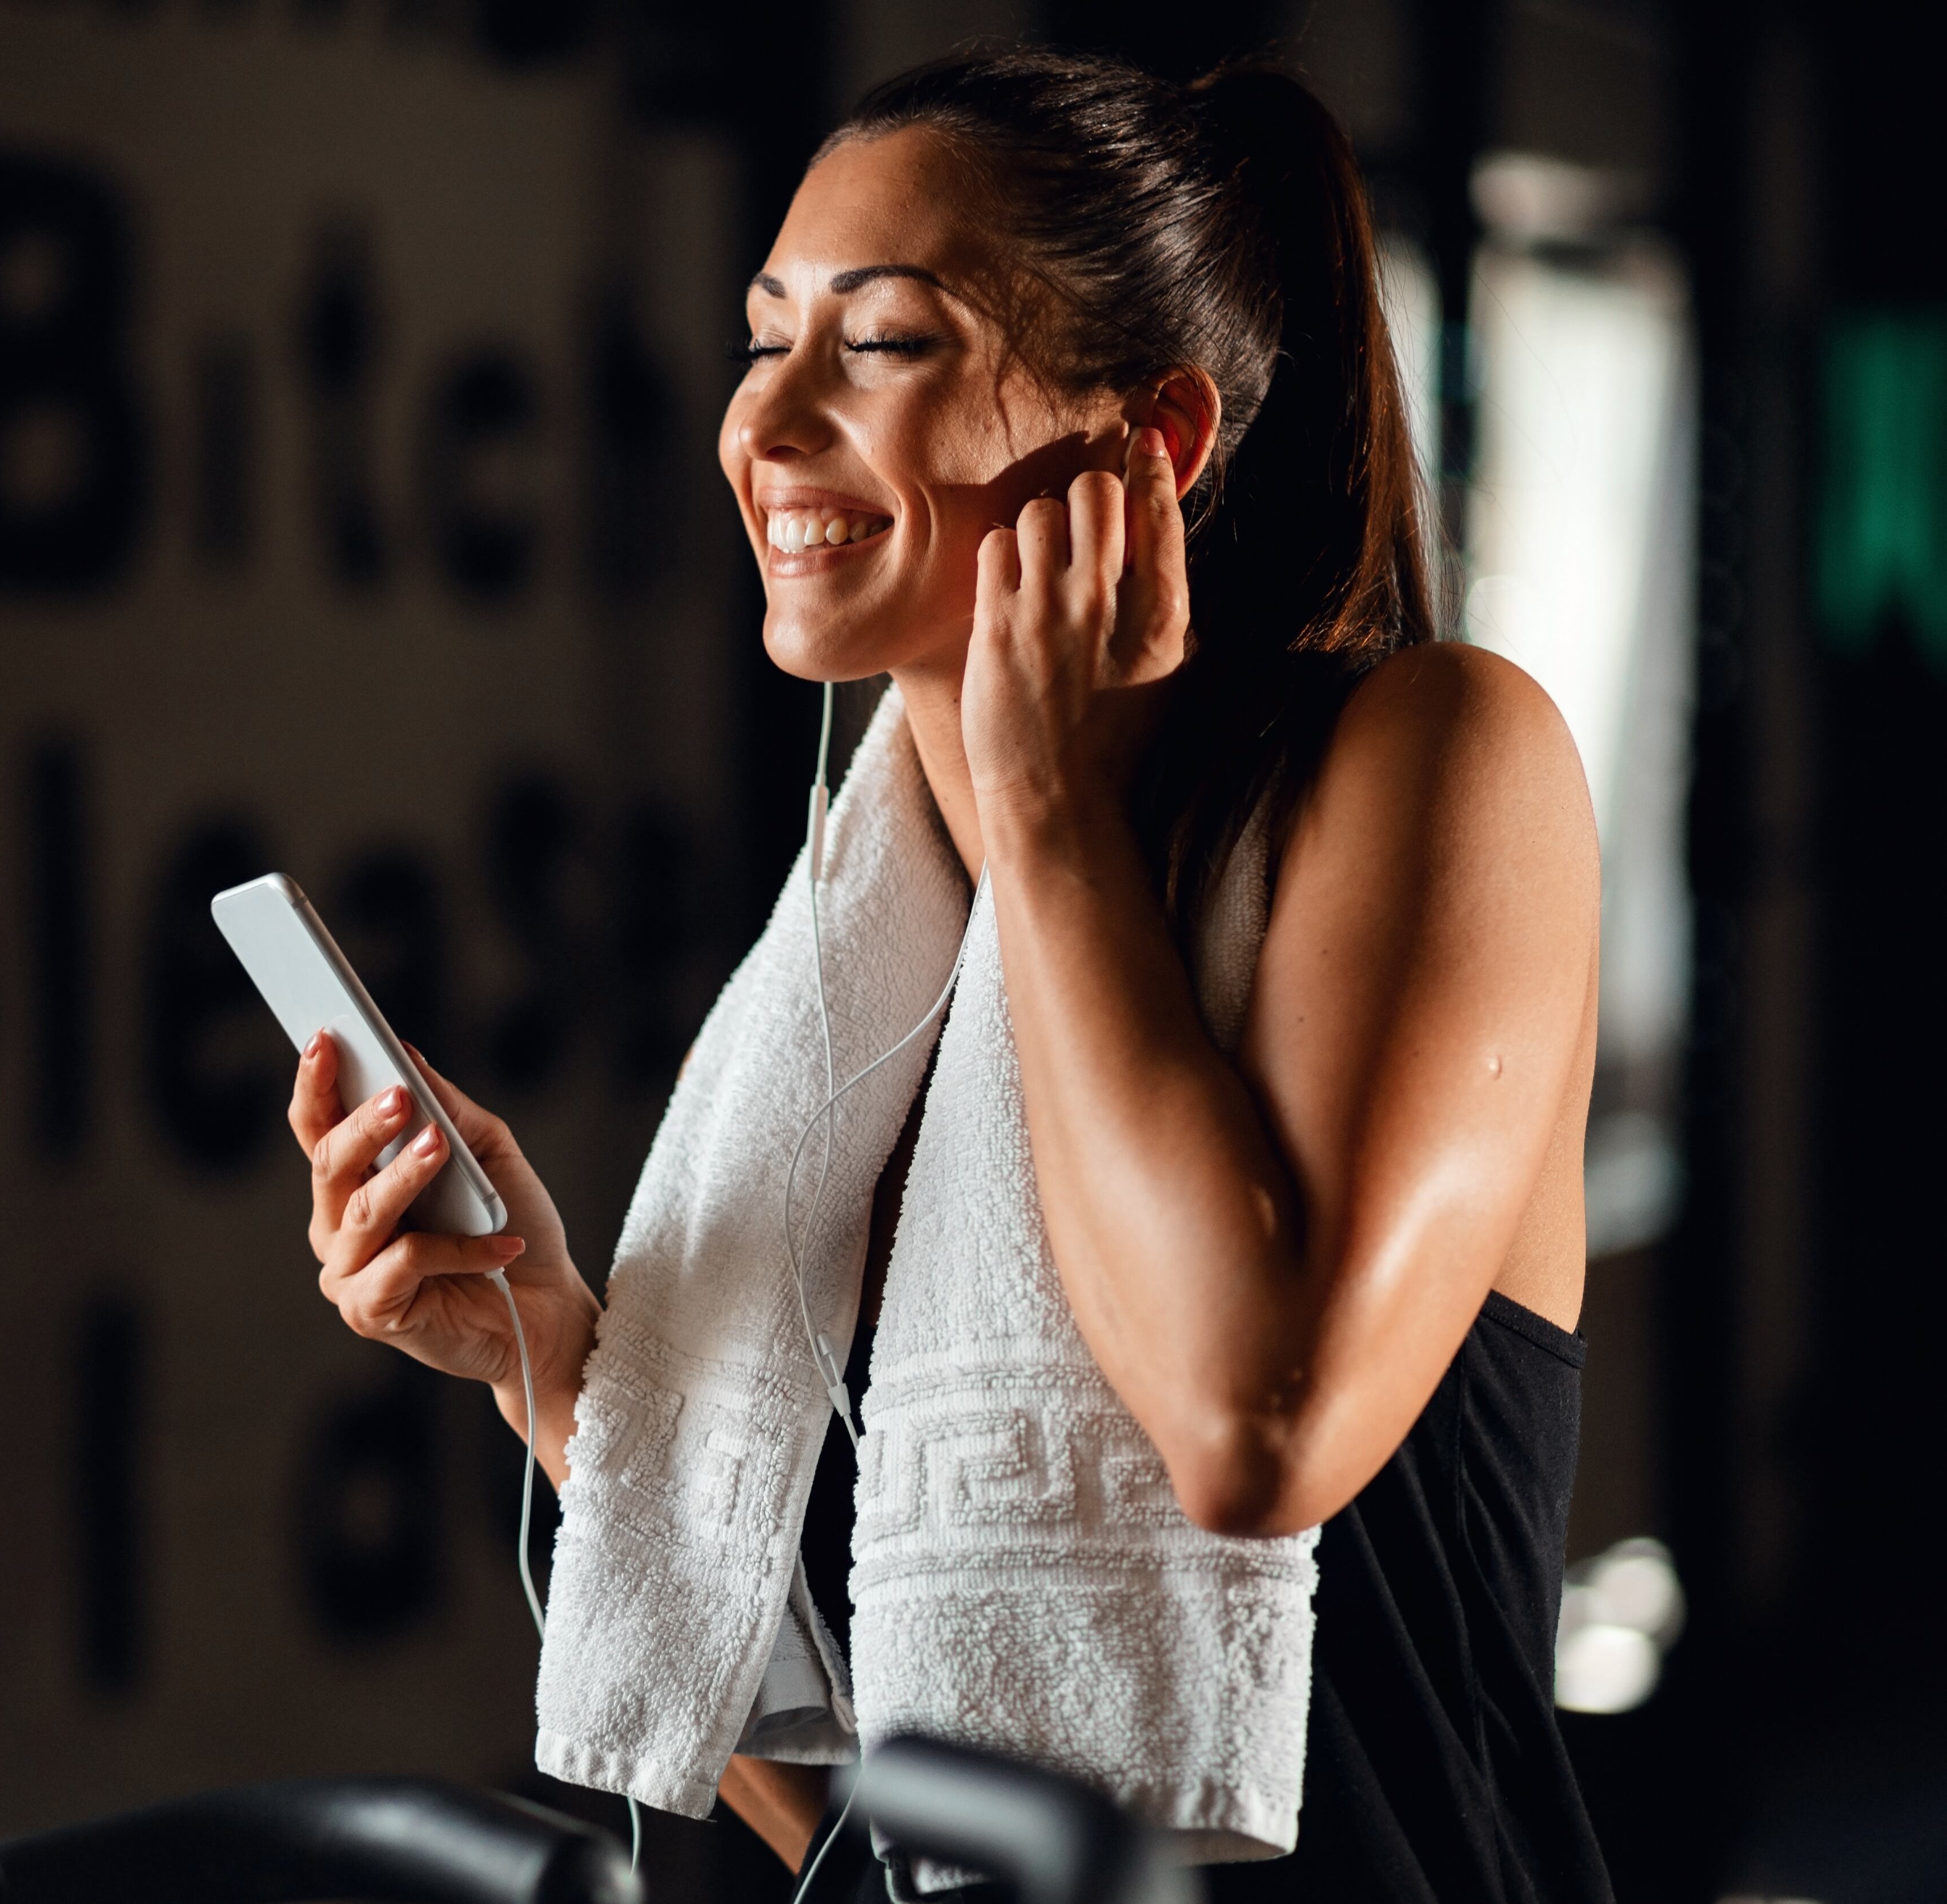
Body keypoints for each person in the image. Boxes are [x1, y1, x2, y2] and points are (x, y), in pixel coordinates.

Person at [282, 46, 1607, 1903]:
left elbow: (1255, 1425)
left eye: (883, 345)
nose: (766, 422)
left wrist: (1055, 804)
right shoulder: (874, 970)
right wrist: (549, 1353)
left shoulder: (1438, 763)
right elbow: (873, 1812)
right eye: (765, 339)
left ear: (1147, 445)